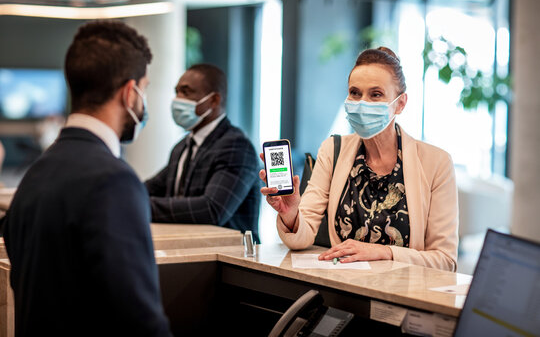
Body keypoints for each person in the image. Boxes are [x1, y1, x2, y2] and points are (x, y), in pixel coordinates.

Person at [3, 20, 172, 336]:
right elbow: (139, 321)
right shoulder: (114, 182)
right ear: (129, 92)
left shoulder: (36, 174)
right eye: (144, 90)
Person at [260, 47, 458, 272]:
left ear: (400, 103)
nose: (362, 103)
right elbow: (301, 239)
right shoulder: (333, 150)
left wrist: (384, 252)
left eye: (375, 94)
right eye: (355, 93)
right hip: (343, 290)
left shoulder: (436, 162)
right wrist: (291, 214)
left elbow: (445, 260)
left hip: (402, 296)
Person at [145, 64, 261, 242]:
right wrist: (124, 194)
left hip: (229, 260)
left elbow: (212, 209)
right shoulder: (182, 147)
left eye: (186, 92)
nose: (177, 99)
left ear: (214, 100)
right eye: (176, 92)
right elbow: (150, 188)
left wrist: (139, 204)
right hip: (188, 251)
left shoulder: (236, 146)